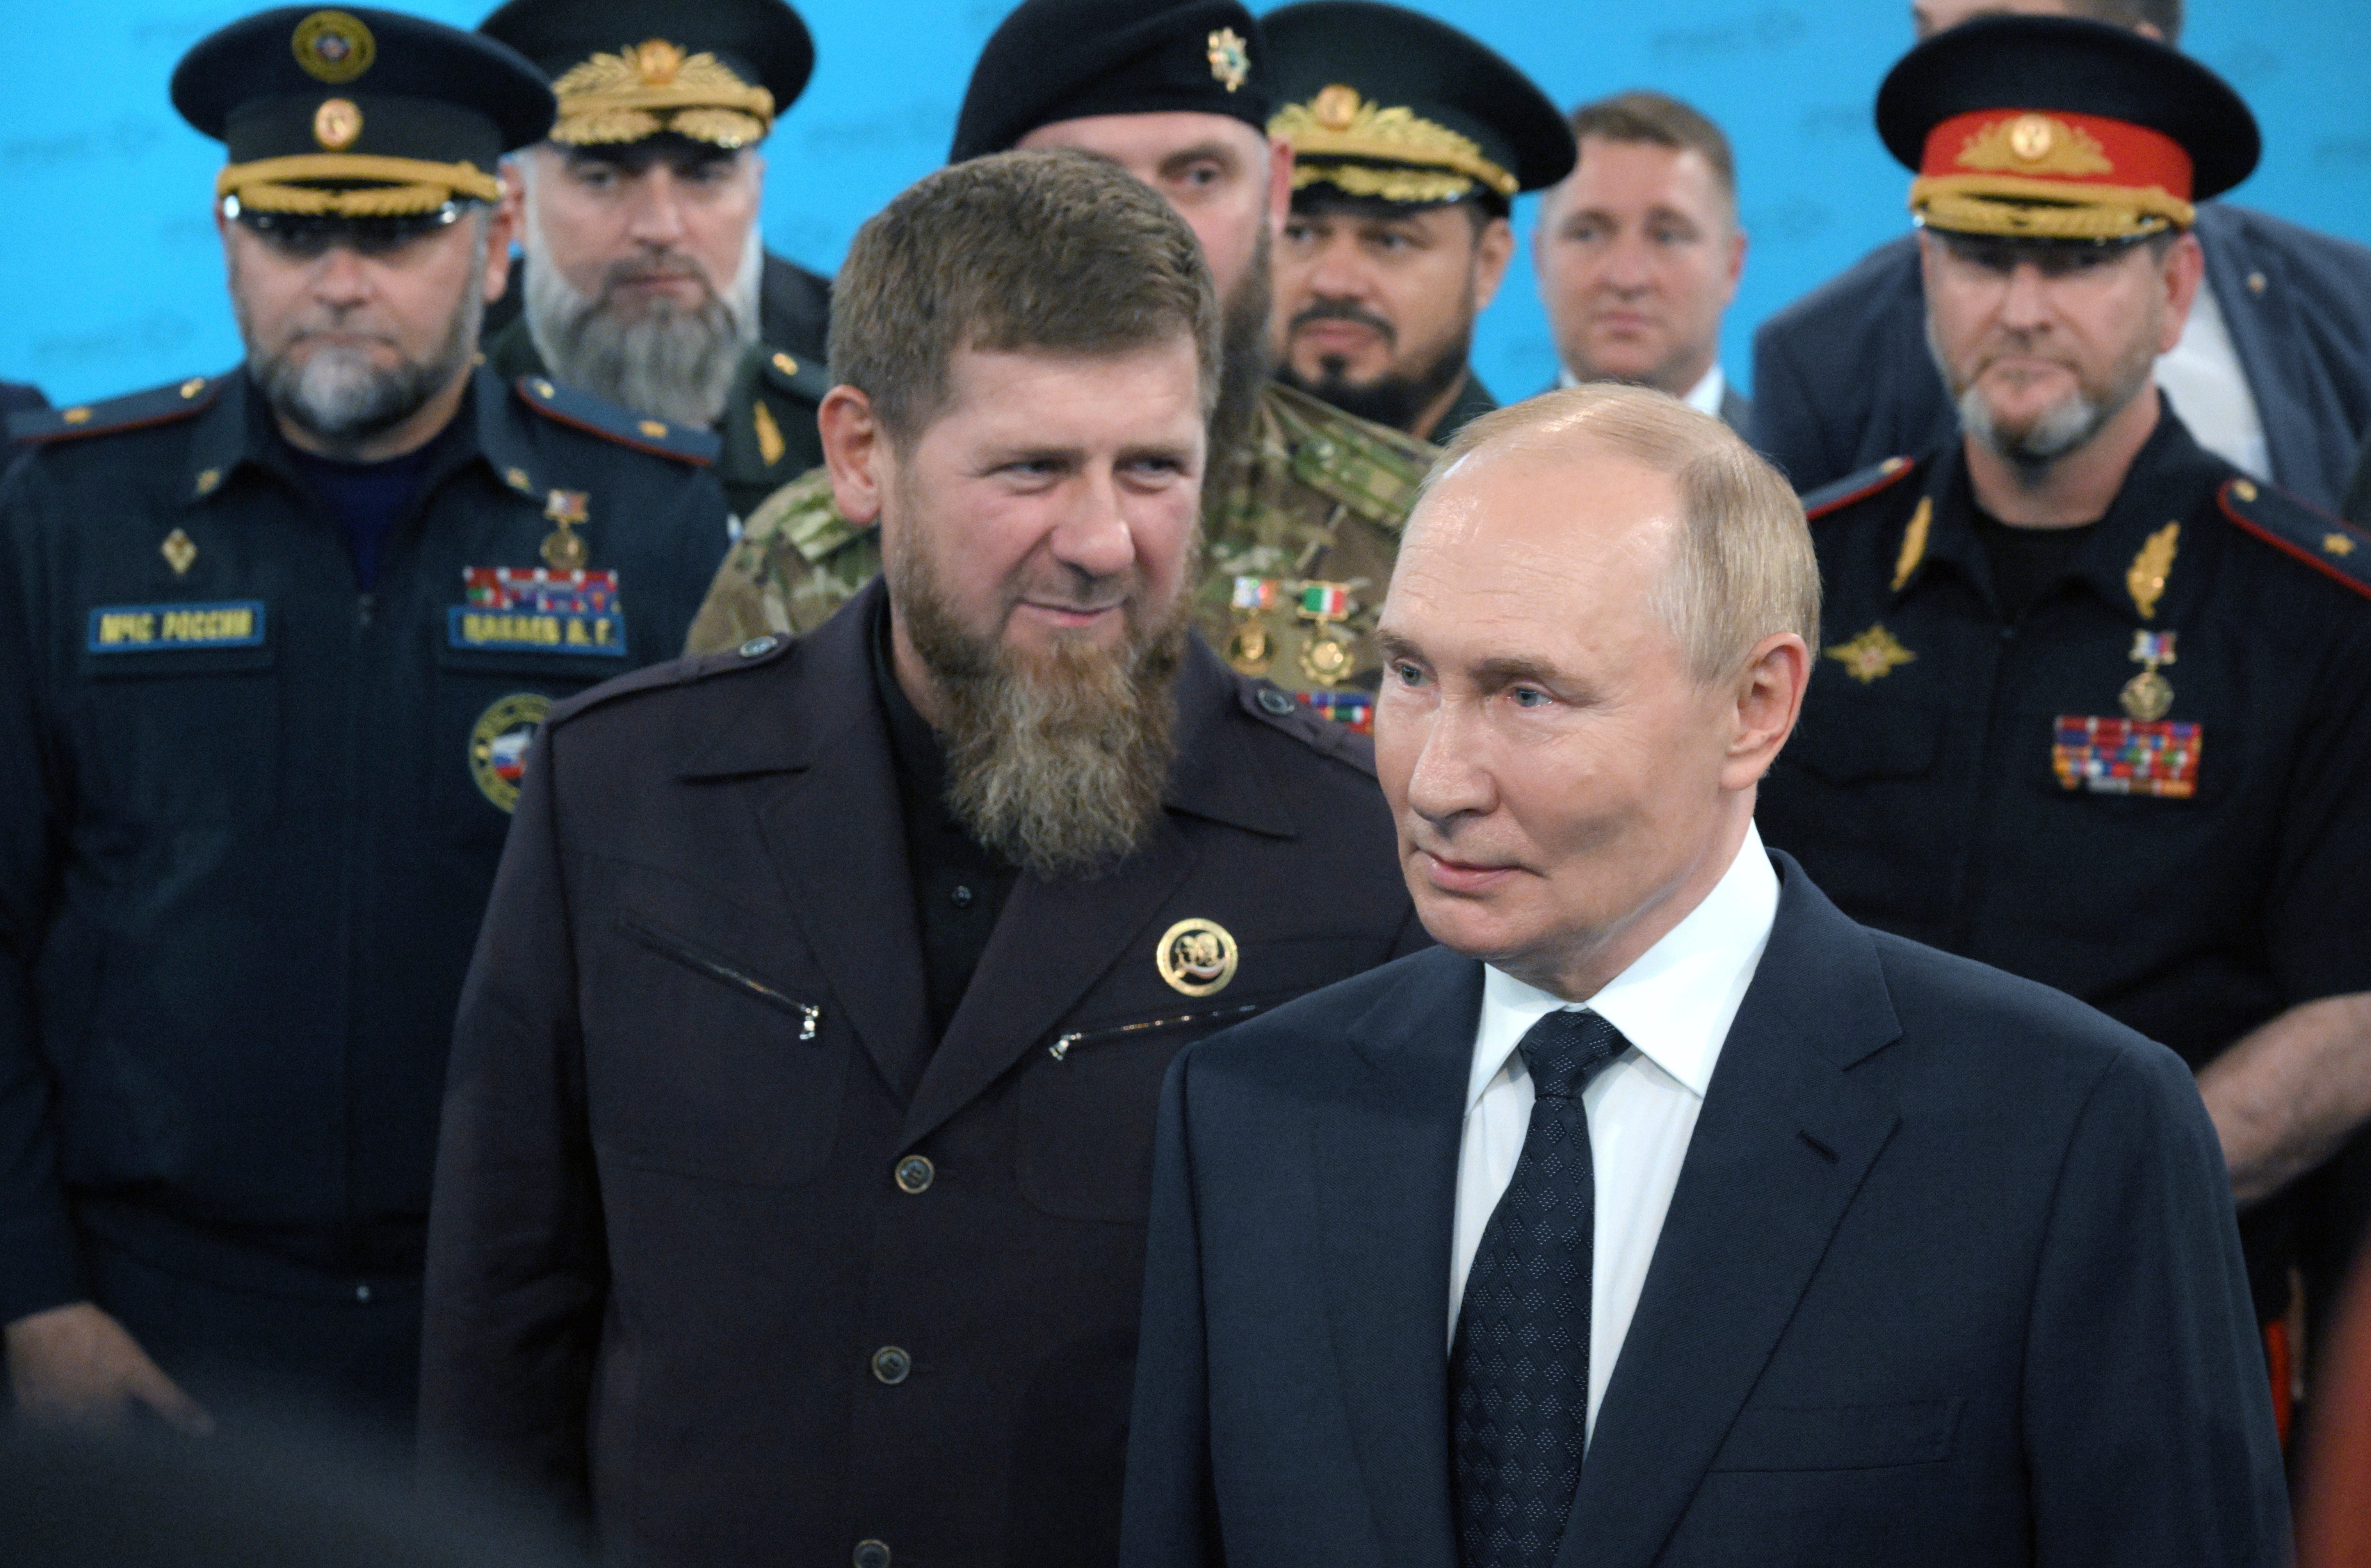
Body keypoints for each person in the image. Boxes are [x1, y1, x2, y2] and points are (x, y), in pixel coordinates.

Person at [418, 150, 1422, 1568]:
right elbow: (503, 1326)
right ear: (859, 456)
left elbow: (1371, 1417)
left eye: (1152, 467)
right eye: (1029, 469)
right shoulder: (622, 791)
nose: (1102, 540)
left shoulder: (1352, 855)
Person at [1119, 382, 2288, 1568]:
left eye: (1527, 694)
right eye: (1411, 674)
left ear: (1753, 705)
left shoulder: (2064, 1133)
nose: (1436, 781)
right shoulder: (1248, 1114)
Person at [0, 5, 731, 1440]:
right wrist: (31, 1298)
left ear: (496, 239)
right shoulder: (70, 513)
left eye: (396, 231)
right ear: (226, 242)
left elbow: (710, 959)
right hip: (148, 1318)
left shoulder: (648, 521)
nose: (337, 282)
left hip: (523, 1320)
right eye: (288, 232)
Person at [1754, 16, 2371, 1349]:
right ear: (1926, 273)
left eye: (2081, 260)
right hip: (1792, 1284)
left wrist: (2080, 1197)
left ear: (2174, 288)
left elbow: (2353, 1011)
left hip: (2145, 1307)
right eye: (1981, 256)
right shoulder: (1789, 573)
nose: (2022, 308)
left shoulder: (2320, 619)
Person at [687, 0, 1442, 733]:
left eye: (1198, 175)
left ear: (1276, 190)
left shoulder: (1424, 528)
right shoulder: (806, 552)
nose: (1146, 225)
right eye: (1082, 180)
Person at [1752, 0, 2371, 510]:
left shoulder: (2351, 304)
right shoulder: (1820, 356)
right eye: (1923, 34)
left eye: (1990, 36)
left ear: (2174, 285)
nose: (1937, 71)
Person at [476, 0, 832, 520]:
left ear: (755, 193)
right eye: (602, 178)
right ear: (518, 204)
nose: (661, 228)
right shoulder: (447, 386)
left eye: (704, 176)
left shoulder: (858, 371)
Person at [1260, 0, 1573, 447]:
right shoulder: (1174, 471)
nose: (1334, 282)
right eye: (1300, 234)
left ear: (1487, 263)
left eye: (1390, 241)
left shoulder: (1537, 487)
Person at [1533, 91, 1752, 435]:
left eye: (1667, 236)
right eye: (1588, 234)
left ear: (1732, 265)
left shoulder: (1802, 466)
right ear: (1540, 260)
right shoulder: (1474, 465)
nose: (1627, 278)